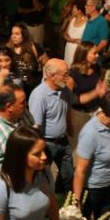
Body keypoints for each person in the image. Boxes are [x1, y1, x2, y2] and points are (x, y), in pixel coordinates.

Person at [73, 92, 110, 220]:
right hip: (92, 189)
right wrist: (77, 201)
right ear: (102, 112)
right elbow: (80, 170)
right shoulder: (90, 134)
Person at [29, 59, 77, 193]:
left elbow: (71, 104)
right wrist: (39, 149)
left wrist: (70, 125)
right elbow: (35, 127)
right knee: (42, 178)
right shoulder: (39, 96)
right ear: (52, 76)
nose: (68, 78)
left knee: (67, 175)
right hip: (47, 143)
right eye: (65, 74)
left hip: (63, 140)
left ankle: (60, 201)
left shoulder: (63, 89)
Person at [67, 41, 106, 113]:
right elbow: (70, 99)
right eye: (94, 53)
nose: (97, 55)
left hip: (95, 109)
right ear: (84, 55)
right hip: (80, 113)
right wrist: (96, 92)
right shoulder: (73, 74)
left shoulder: (96, 67)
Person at [6, 23, 43, 97]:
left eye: (17, 34)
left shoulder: (34, 47)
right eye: (12, 33)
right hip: (16, 90)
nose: (13, 36)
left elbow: (47, 64)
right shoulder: (8, 50)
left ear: (24, 35)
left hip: (34, 88)